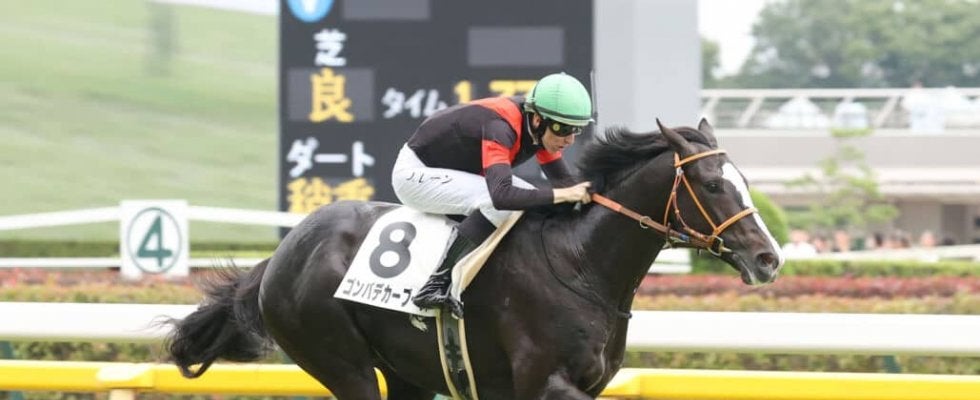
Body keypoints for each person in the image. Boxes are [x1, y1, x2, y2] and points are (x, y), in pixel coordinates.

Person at [391, 72, 594, 318]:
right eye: (564, 129)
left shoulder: (540, 128)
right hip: (414, 175)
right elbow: (502, 197)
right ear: (538, 120)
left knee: (532, 197)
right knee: (505, 203)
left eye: (576, 130)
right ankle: (435, 284)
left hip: (446, 171)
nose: (569, 139)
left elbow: (565, 183)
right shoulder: (501, 127)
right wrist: (564, 195)